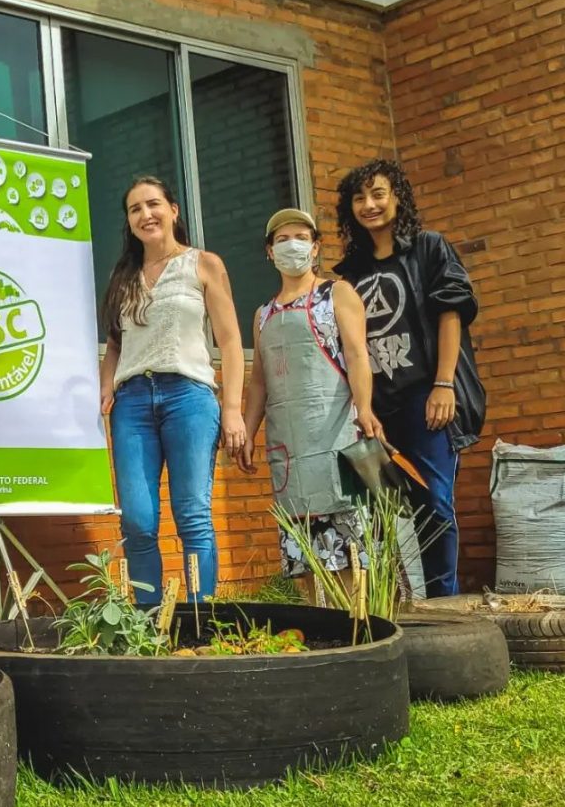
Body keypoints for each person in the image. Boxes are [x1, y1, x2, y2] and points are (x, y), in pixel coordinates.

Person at [332, 159, 485, 598]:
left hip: (425, 398)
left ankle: (444, 606)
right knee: (382, 516)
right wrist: (363, 410)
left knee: (435, 504)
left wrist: (443, 384)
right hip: (376, 410)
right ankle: (393, 608)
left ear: (398, 197)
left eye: (378, 194)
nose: (369, 205)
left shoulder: (429, 248)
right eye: (359, 198)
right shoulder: (350, 273)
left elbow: (450, 313)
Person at [99, 176, 246, 604]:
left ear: (173, 210)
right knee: (139, 522)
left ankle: (199, 620)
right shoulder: (124, 276)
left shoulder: (203, 264)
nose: (146, 215)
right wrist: (107, 382)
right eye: (135, 209)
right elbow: (115, 342)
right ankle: (147, 624)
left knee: (192, 515)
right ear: (129, 221)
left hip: (189, 398)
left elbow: (232, 341)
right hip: (132, 405)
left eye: (153, 204)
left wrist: (232, 408)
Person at [238, 208, 383, 597]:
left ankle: (360, 630)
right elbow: (259, 383)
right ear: (269, 252)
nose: (292, 246)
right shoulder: (262, 315)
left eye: (300, 237)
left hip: (335, 436)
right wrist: (247, 432)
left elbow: (356, 356)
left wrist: (365, 409)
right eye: (281, 239)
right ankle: (320, 633)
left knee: (349, 550)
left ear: (315, 247)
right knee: (302, 556)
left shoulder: (336, 293)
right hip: (289, 449)